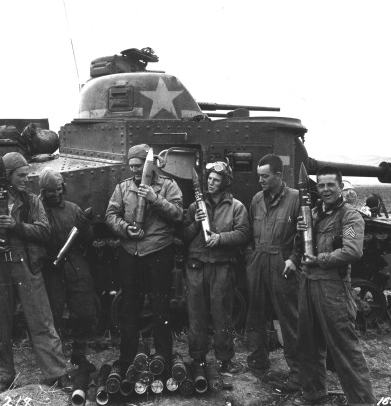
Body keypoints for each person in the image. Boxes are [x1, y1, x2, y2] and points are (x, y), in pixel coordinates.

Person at [0, 152, 73, 392]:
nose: (26, 179)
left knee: (42, 321)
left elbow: (45, 232)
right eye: (21, 175)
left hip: (26, 268)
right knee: (1, 325)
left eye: (28, 174)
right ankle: (4, 378)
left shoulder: (32, 201)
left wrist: (17, 227)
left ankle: (57, 373)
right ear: (8, 176)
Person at [295, 166, 376, 406]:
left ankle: (363, 401)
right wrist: (301, 231)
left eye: (331, 185)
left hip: (333, 290)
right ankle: (314, 396)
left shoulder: (349, 217)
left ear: (341, 186)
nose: (326, 189)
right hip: (308, 284)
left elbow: (352, 250)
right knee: (308, 345)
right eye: (321, 185)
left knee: (344, 349)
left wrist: (320, 260)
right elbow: (304, 246)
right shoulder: (315, 213)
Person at [105, 144, 183, 369]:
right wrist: (125, 229)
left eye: (138, 166)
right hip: (131, 253)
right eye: (131, 166)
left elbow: (178, 214)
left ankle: (163, 359)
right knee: (130, 307)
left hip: (158, 252)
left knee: (161, 308)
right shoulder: (123, 188)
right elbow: (111, 215)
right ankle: (128, 358)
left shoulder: (168, 186)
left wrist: (154, 198)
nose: (134, 171)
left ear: (149, 165)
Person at [183, 161, 250, 373]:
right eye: (209, 179)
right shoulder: (195, 206)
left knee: (222, 315)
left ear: (225, 183)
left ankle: (224, 359)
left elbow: (243, 234)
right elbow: (182, 236)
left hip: (222, 267)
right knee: (196, 315)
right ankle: (197, 358)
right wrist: (195, 223)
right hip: (196, 266)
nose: (211, 183)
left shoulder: (236, 207)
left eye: (216, 180)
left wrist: (220, 238)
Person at [244, 154, 301, 392]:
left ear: (279, 175)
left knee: (289, 319)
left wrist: (293, 259)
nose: (261, 181)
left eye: (265, 176)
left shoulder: (296, 198)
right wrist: (251, 258)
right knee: (256, 315)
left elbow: (305, 235)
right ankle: (258, 363)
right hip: (258, 261)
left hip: (281, 264)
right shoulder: (257, 199)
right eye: (259, 176)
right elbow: (248, 232)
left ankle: (298, 373)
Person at [38, 168, 97, 371]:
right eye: (50, 191)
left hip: (74, 262)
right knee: (53, 314)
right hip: (49, 264)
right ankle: (56, 360)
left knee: (84, 310)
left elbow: (89, 240)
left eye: (58, 189)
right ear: (43, 192)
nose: (55, 194)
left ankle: (79, 354)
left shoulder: (73, 209)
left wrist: (86, 226)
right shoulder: (37, 210)